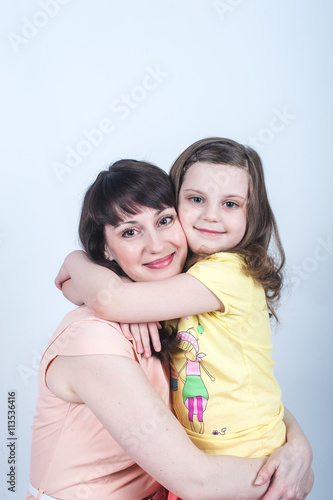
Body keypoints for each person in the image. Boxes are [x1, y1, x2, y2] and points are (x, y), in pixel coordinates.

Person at [55, 154, 313, 499]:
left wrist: (79, 263)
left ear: (253, 214)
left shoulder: (225, 273)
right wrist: (106, 279)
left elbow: (89, 291)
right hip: (207, 469)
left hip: (242, 460)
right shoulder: (174, 290)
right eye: (195, 200)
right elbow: (76, 288)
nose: (210, 215)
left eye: (164, 221)